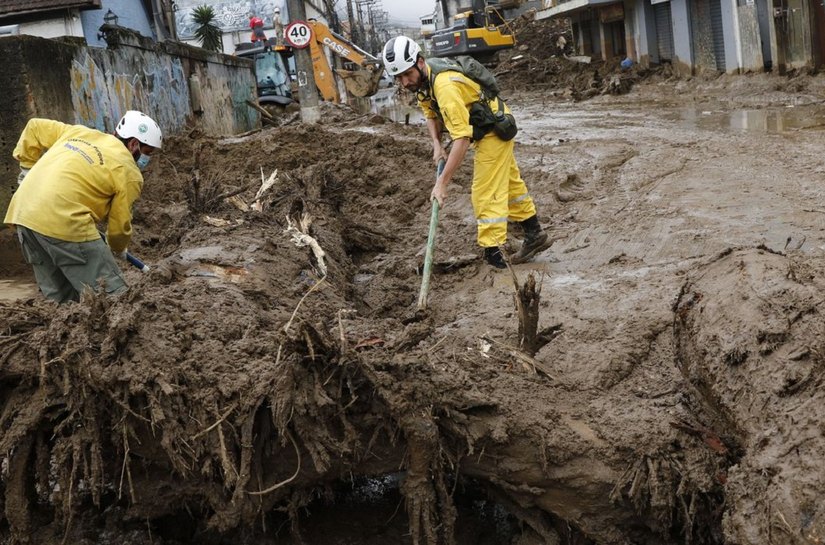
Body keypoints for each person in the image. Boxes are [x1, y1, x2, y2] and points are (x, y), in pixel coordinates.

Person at [382, 36, 549, 269]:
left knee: (485, 192)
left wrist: (442, 183)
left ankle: (495, 256)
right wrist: (436, 145)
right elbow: (430, 114)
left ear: (420, 62)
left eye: (406, 74)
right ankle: (534, 234)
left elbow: (461, 139)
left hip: (493, 128)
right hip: (482, 125)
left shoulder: (444, 86)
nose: (404, 82)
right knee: (510, 185)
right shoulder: (423, 82)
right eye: (398, 77)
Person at [4, 111, 163, 304]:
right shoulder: (129, 171)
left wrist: (27, 169)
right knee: (114, 300)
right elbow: (119, 225)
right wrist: (118, 247)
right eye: (147, 153)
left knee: (60, 302)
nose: (147, 159)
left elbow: (34, 127)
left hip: (23, 215)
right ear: (133, 144)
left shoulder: (80, 133)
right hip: (66, 223)